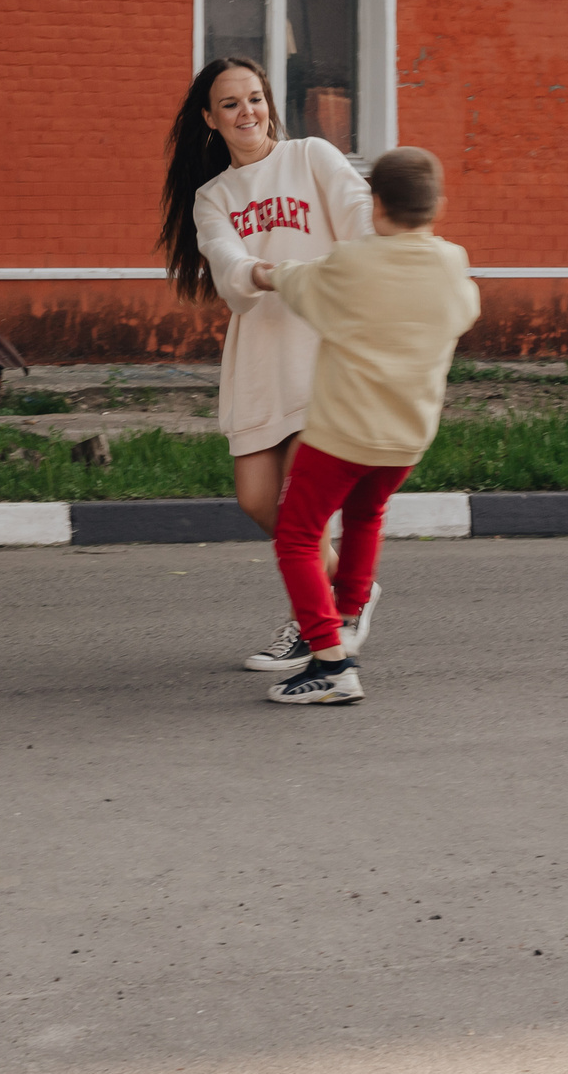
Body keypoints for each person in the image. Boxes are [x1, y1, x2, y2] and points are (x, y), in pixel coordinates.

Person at [158, 56, 374, 671]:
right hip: (259, 356)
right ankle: (343, 596)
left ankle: (318, 623)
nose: (246, 112)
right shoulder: (213, 196)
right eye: (230, 104)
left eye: (254, 98)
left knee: (302, 504)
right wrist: (268, 273)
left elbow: (359, 220)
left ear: (268, 102)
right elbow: (228, 267)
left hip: (323, 348)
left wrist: (371, 265)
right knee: (258, 501)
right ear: (210, 119)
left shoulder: (313, 157)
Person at [246, 147, 481, 706]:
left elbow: (299, 284)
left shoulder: (351, 264)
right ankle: (348, 617)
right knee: (366, 515)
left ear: (375, 205)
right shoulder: (451, 264)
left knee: (298, 536)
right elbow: (466, 309)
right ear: (438, 207)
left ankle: (329, 662)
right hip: (406, 437)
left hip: (342, 434)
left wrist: (262, 271)